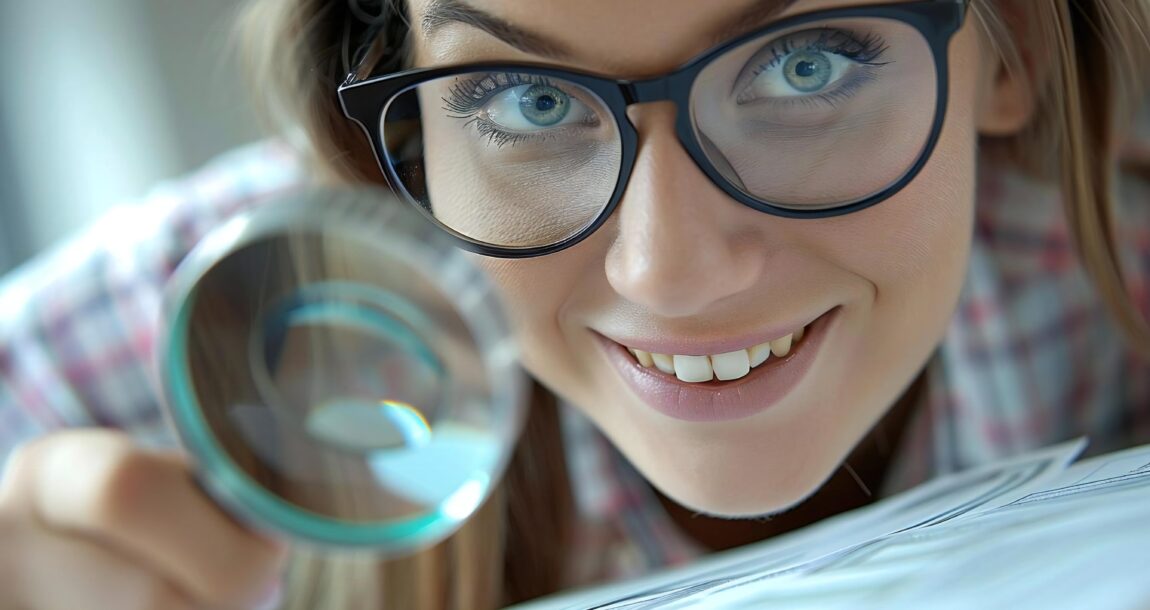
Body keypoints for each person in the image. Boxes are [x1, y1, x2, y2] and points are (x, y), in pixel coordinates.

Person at [2, 0, 1150, 608]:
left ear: (1011, 49)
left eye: (807, 64)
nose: (670, 270)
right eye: (528, 99)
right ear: (398, 135)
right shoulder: (229, 312)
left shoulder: (1118, 280)